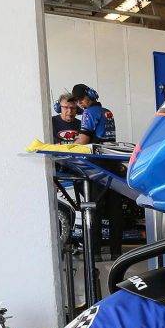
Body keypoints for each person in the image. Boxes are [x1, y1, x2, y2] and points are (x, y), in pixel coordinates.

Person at [70, 83, 122, 258]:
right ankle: (116, 252)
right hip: (113, 163)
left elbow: (84, 139)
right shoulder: (107, 111)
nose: (80, 104)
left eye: (81, 100)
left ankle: (95, 253)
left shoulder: (89, 113)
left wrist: (69, 148)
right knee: (115, 211)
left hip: (97, 165)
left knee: (95, 209)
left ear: (90, 96)